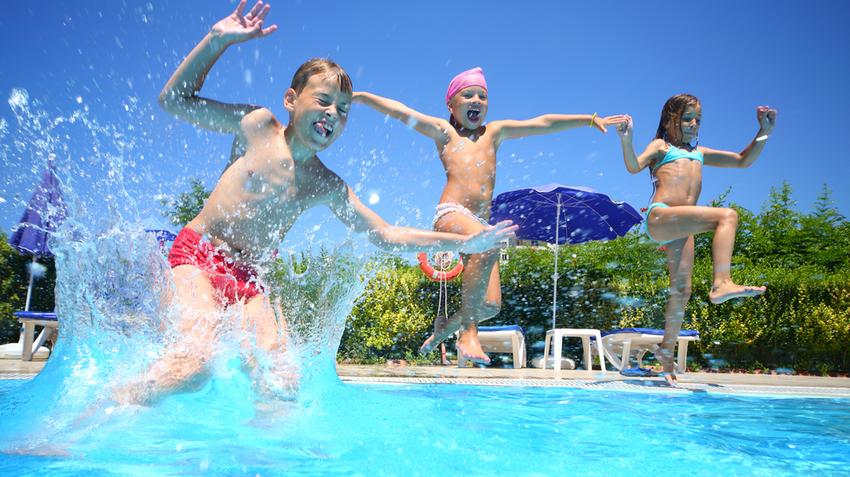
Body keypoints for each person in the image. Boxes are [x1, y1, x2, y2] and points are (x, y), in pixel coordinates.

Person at [114, 2, 516, 404]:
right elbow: (174, 100)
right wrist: (217, 41)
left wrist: (464, 243)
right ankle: (100, 413)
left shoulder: (326, 184)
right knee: (193, 366)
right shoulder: (257, 126)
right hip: (199, 256)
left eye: (342, 110)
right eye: (323, 101)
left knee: (281, 383)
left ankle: (264, 462)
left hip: (251, 280)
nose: (332, 114)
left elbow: (387, 235)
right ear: (291, 99)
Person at [353, 67, 627, 364]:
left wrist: (588, 120)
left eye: (482, 96)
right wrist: (363, 97)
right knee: (485, 244)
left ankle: (447, 326)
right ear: (451, 105)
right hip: (452, 213)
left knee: (490, 305)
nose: (476, 100)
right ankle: (467, 332)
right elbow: (401, 111)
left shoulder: (494, 133)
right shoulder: (445, 133)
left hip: (480, 224)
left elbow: (542, 123)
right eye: (468, 94)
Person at [616, 93, 777, 385]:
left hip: (681, 228)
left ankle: (666, 350)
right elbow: (632, 165)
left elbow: (742, 161)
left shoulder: (700, 152)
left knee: (682, 291)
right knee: (727, 216)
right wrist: (627, 139)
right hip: (662, 215)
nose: (693, 124)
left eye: (698, 119)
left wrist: (763, 133)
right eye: (687, 117)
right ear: (670, 120)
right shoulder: (660, 146)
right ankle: (722, 283)